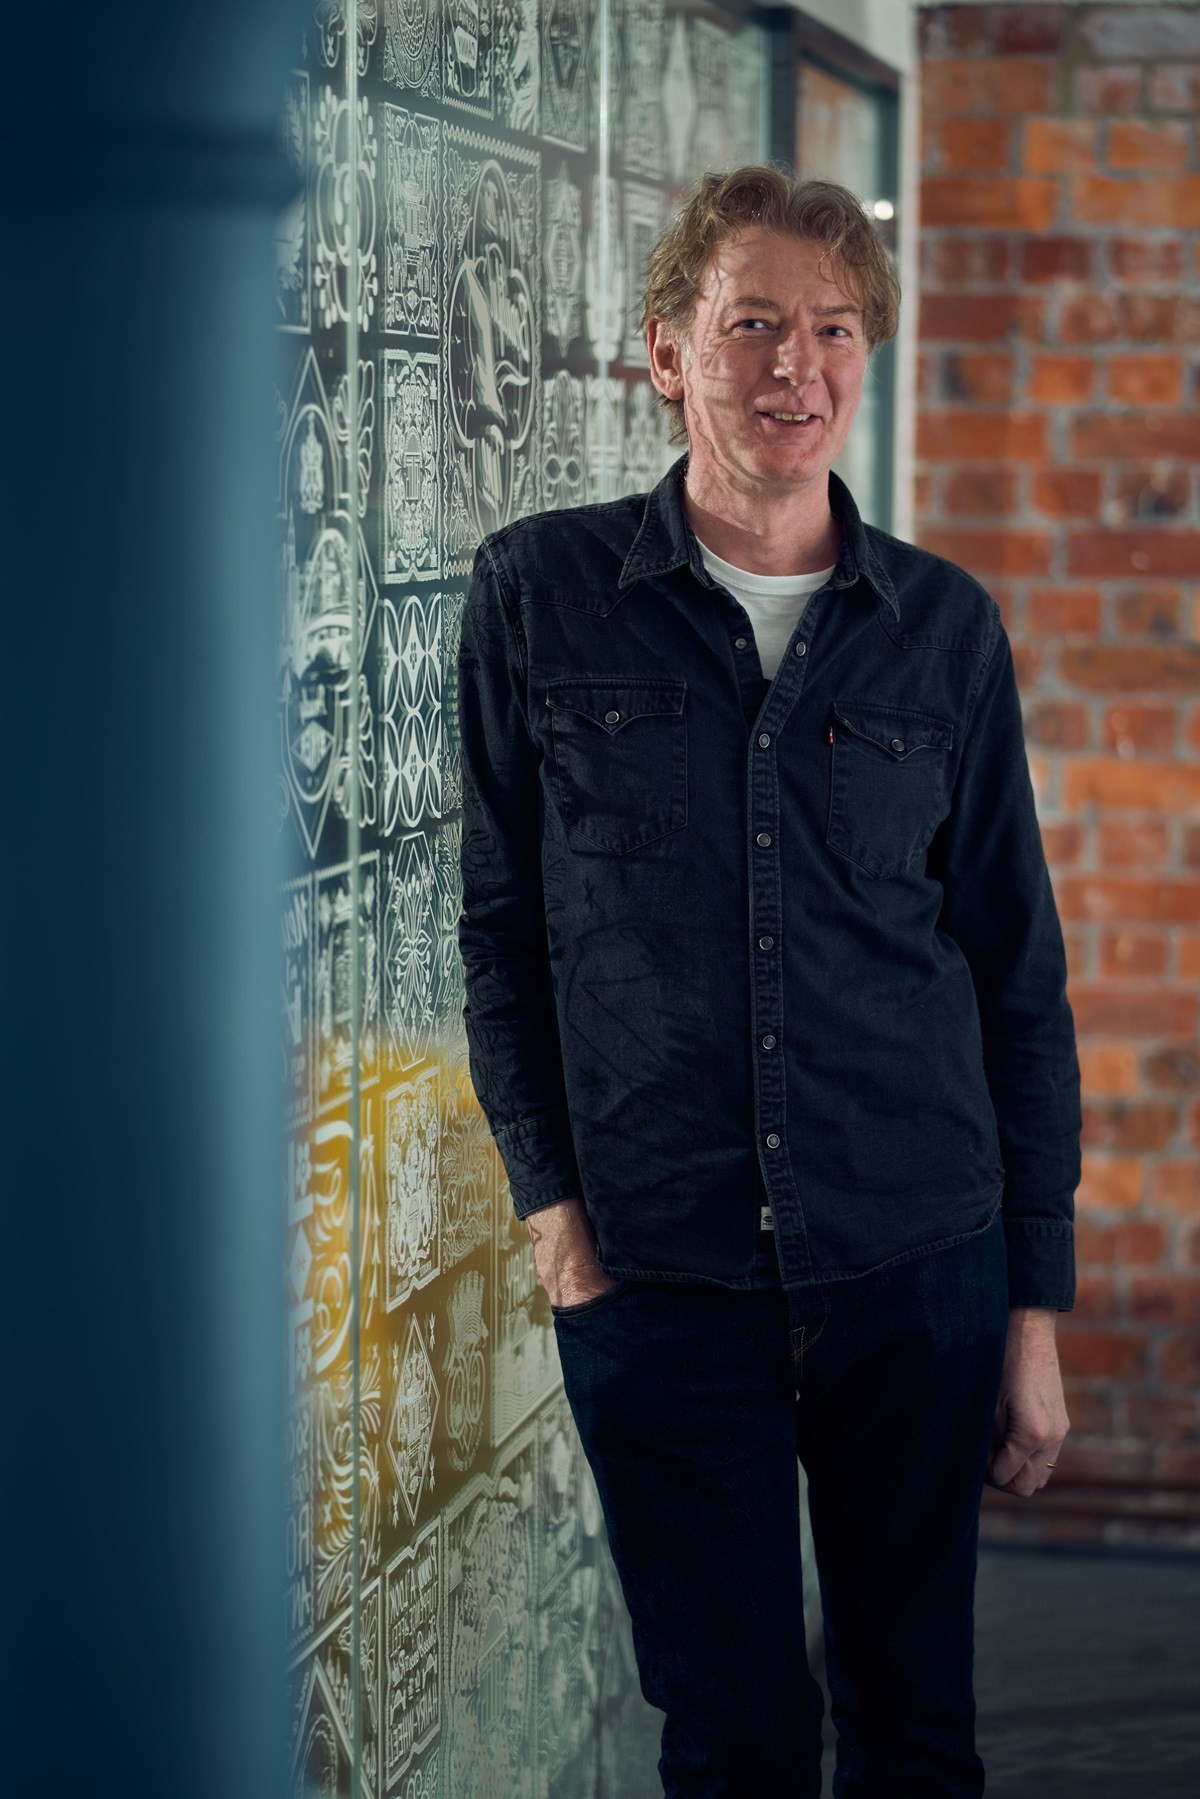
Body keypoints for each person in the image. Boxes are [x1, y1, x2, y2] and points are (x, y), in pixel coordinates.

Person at [457, 166, 1080, 1797]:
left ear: (863, 358)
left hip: (915, 1264)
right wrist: (562, 1233)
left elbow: (1017, 976)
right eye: (751, 326)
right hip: (659, 1281)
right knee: (731, 1737)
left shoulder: (948, 631)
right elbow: (500, 936)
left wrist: (1031, 1313)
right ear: (667, 353)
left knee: (913, 1726)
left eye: (831, 329)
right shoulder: (537, 594)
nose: (792, 365)